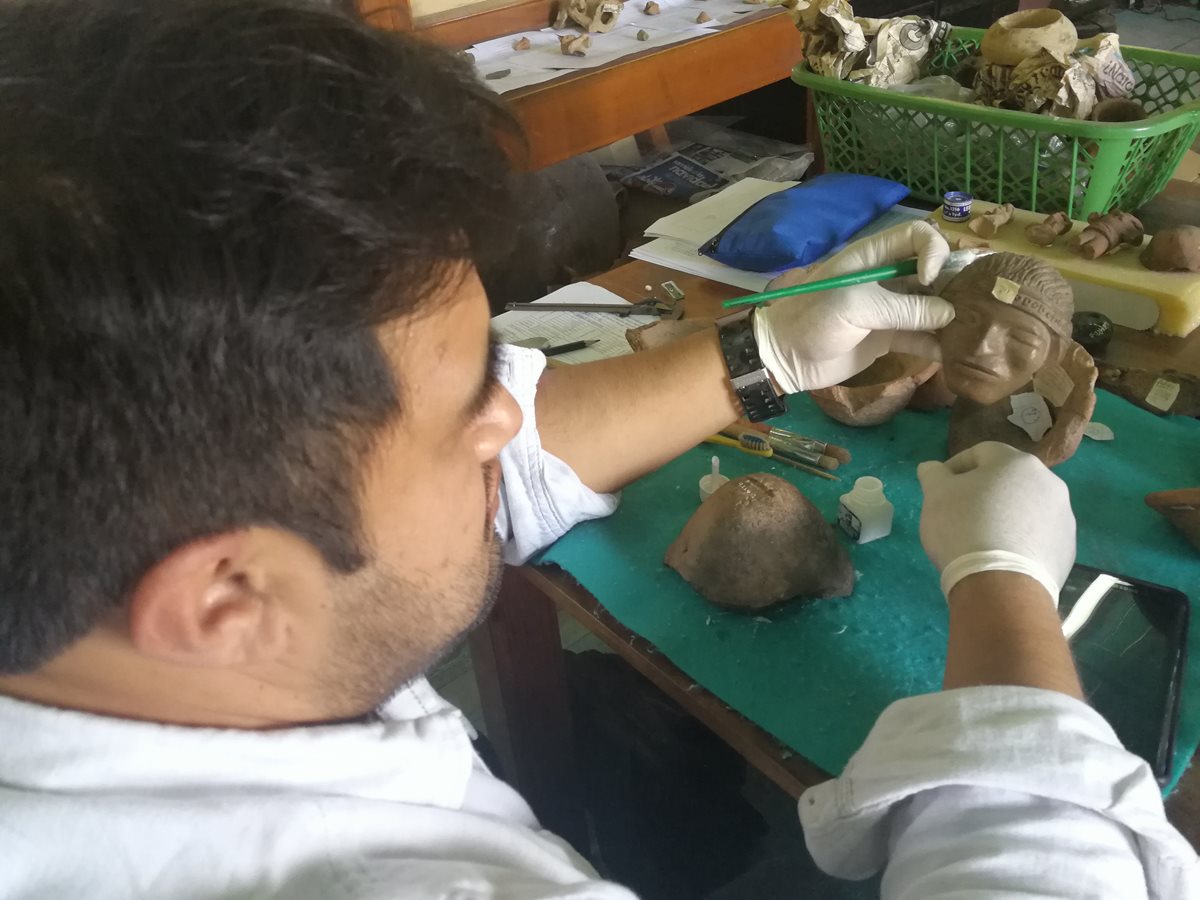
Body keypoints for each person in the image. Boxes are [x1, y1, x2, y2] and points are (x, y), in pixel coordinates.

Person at [0, 1, 1194, 898]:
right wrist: (1003, 601)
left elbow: (444, 472)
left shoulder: (107, 580)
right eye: (471, 419)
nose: (515, 415)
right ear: (223, 597)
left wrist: (762, 353)